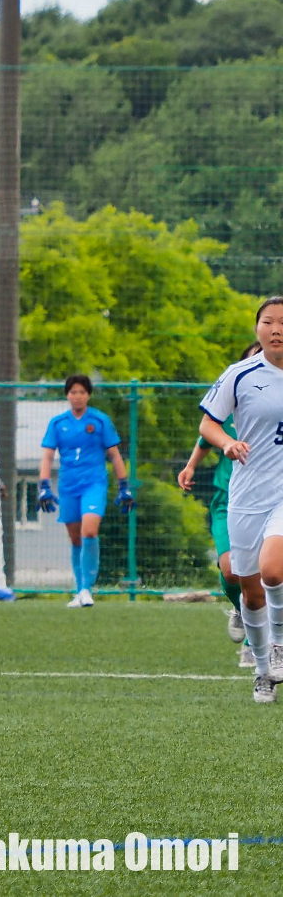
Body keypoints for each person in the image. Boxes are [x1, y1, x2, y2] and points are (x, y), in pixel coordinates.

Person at [199, 300, 283, 702]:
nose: (276, 328)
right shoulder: (240, 375)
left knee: (273, 570)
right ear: (257, 329)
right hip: (247, 495)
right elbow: (207, 423)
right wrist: (228, 443)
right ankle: (263, 671)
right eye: (268, 321)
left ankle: (279, 645)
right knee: (249, 591)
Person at [179, 341, 263, 670]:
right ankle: (242, 612)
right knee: (231, 570)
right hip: (228, 501)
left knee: (267, 573)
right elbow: (204, 437)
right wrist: (189, 467)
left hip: (269, 500)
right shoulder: (227, 408)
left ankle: (255, 645)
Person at [37, 374, 133, 608]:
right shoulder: (58, 423)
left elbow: (114, 454)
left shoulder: (100, 421)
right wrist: (43, 486)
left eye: (81, 392)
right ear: (67, 395)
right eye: (73, 392)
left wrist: (124, 486)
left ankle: (87, 589)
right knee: (74, 537)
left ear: (88, 395)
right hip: (68, 486)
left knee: (89, 531)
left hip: (94, 484)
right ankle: (79, 590)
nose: (77, 396)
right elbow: (48, 455)